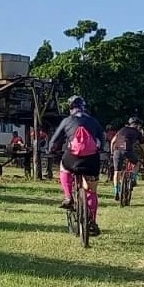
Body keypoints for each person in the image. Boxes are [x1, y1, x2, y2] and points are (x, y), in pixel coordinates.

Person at [47, 95, 105, 236]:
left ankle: (68, 197)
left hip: (71, 158)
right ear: (84, 107)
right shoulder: (93, 121)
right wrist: (100, 148)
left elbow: (54, 141)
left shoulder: (67, 121)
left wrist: (51, 150)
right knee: (91, 191)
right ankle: (92, 220)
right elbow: (102, 139)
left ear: (70, 108)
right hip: (91, 160)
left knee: (63, 167)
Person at [110, 117, 144, 200]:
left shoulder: (122, 129)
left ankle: (116, 191)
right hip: (128, 150)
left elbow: (113, 141)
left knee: (117, 172)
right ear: (137, 125)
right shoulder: (137, 132)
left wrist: (112, 153)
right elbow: (143, 146)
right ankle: (133, 177)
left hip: (118, 150)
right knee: (136, 163)